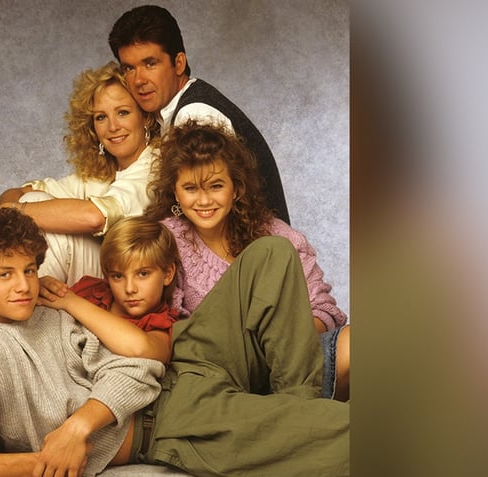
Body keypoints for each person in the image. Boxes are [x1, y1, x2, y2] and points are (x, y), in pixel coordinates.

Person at [0, 206, 164, 477]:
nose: (24, 285)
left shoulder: (52, 317)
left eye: (30, 270)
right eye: (5, 274)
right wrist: (46, 460)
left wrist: (76, 428)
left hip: (168, 403)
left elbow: (139, 369)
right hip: (160, 436)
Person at [146, 121, 350, 400]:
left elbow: (324, 310)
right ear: (175, 192)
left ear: (236, 188)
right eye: (191, 188)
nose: (204, 200)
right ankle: (296, 409)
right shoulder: (166, 239)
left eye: (216, 186)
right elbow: (169, 328)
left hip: (291, 362)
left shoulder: (279, 236)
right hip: (217, 372)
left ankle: (296, 407)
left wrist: (282, 340)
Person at [108, 4, 290, 224]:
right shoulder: (168, 113)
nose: (138, 80)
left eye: (150, 63)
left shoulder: (195, 113)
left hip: (254, 249)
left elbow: (209, 213)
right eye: (129, 68)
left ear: (178, 63)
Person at [0, 61, 159, 286]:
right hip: (110, 278)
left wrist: (13, 210)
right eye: (101, 117)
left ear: (146, 118)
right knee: (33, 203)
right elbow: (22, 191)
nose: (112, 127)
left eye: (123, 112)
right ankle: (19, 303)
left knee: (36, 213)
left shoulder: (156, 164)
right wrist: (9, 208)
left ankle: (20, 308)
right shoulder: (105, 170)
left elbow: (94, 218)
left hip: (137, 284)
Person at [39, 215, 181, 365]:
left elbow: (141, 349)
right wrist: (38, 287)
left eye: (143, 274)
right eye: (118, 276)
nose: (130, 288)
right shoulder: (91, 290)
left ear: (168, 274)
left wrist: (72, 303)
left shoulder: (161, 323)